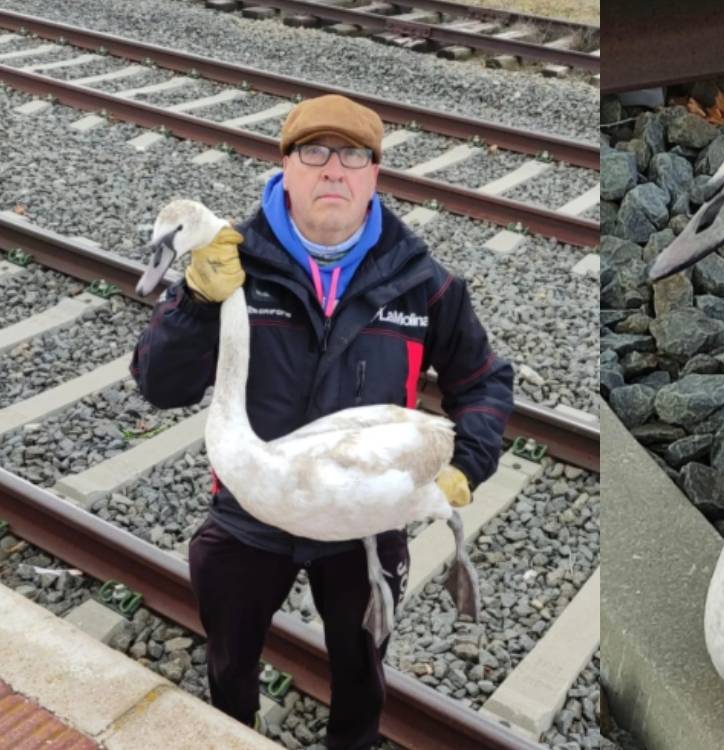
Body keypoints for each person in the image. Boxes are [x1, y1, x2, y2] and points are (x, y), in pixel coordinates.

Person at [130, 94, 514, 749]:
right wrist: (195, 301)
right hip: (252, 511)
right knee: (228, 654)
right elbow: (160, 385)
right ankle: (232, 731)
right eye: (315, 152)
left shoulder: (425, 285)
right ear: (286, 165)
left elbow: (483, 382)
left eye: (354, 155)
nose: (334, 169)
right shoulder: (228, 267)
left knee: (362, 669)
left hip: (360, 519)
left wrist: (466, 465)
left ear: (374, 174)